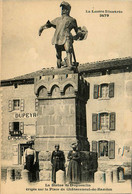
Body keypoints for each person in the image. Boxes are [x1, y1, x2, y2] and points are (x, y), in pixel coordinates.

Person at [39, 1, 83, 68]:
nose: (63, 10)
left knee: (68, 50)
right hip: (58, 37)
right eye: (62, 8)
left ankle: (69, 64)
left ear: (68, 10)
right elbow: (49, 24)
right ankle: (58, 66)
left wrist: (80, 33)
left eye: (65, 8)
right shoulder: (57, 19)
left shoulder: (72, 20)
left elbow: (77, 30)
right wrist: (42, 28)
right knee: (58, 54)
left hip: (67, 37)